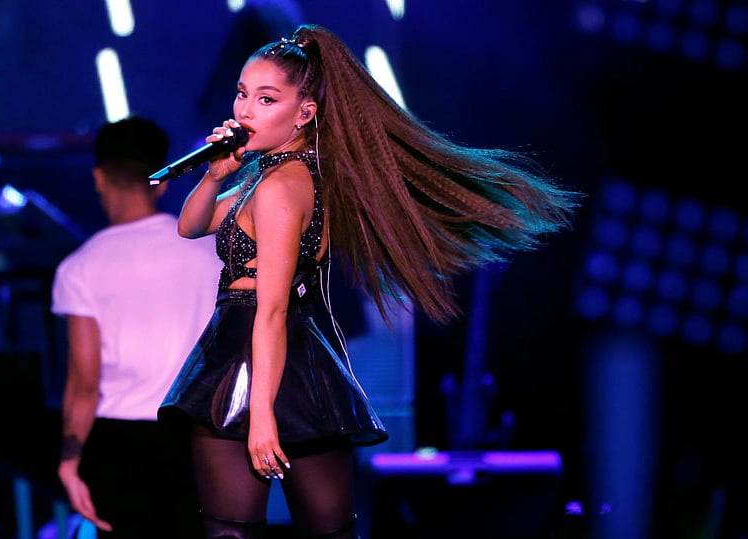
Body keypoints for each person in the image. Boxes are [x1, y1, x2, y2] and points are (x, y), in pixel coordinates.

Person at [158, 23, 582, 539]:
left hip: (269, 357)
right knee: (280, 531)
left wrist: (262, 415)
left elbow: (271, 310)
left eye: (266, 99)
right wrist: (215, 174)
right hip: (243, 353)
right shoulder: (266, 175)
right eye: (243, 94)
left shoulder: (281, 187)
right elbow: (191, 226)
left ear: (305, 112)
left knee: (257, 532)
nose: (245, 111)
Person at [51, 116, 220, 538]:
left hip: (119, 445)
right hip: (203, 436)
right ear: (162, 182)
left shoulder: (81, 267)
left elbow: (84, 382)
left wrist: (69, 462)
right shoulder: (210, 252)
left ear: (98, 178)